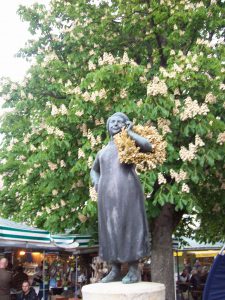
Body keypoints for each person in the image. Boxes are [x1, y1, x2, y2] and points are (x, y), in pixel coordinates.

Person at [90, 112, 152, 284]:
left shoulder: (129, 144)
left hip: (128, 191)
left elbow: (148, 146)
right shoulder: (102, 152)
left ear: (126, 124)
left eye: (120, 122)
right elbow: (94, 170)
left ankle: (133, 269)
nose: (115, 124)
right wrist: (97, 182)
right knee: (109, 229)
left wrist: (131, 133)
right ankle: (115, 269)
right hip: (107, 197)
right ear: (107, 126)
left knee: (130, 226)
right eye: (112, 121)